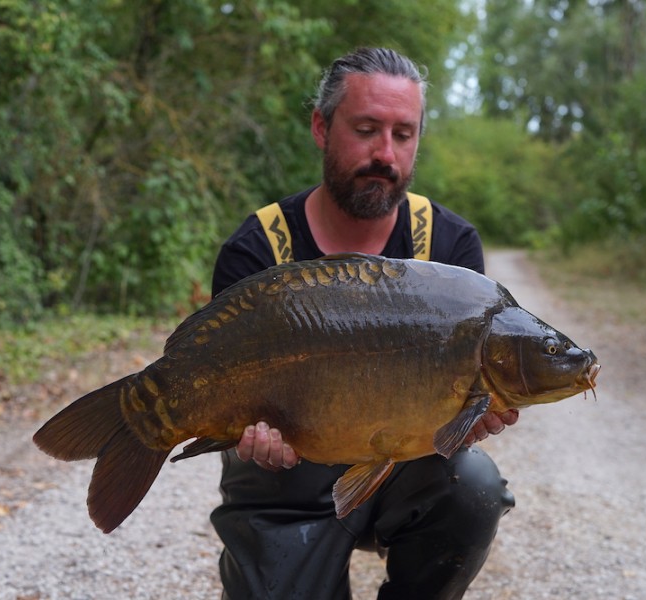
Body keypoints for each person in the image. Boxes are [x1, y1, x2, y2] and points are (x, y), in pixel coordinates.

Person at [209, 47, 518, 600]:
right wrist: (241, 434)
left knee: (472, 485)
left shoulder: (448, 247)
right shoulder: (258, 247)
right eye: (367, 129)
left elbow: (457, 414)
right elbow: (223, 391)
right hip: (284, 478)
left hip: (406, 468)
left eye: (404, 134)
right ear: (321, 127)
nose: (385, 153)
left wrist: (467, 419)